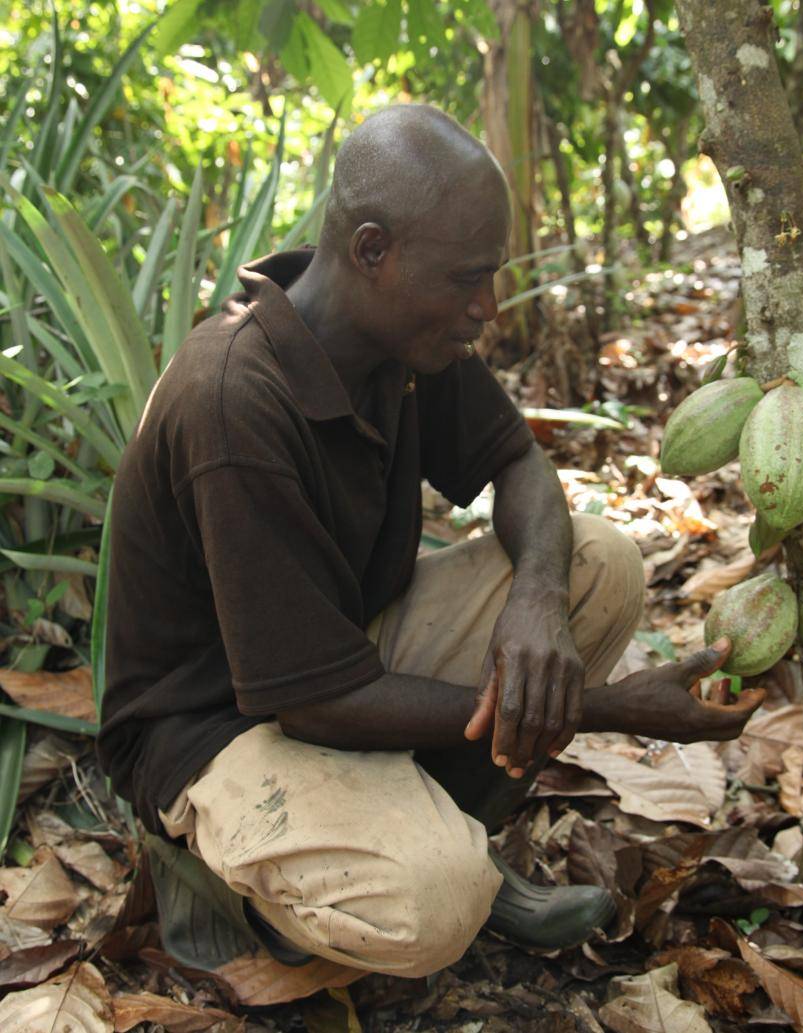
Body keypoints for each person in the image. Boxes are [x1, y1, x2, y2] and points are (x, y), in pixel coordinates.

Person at [97, 104, 764, 981]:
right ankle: (223, 875)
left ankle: (449, 834)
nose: (487, 307)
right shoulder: (233, 401)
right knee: (429, 903)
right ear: (373, 251)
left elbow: (517, 461)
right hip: (214, 725)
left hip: (334, 654)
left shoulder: (393, 337)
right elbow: (317, 703)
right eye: (467, 279)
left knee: (597, 563)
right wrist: (607, 709)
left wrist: (534, 599)